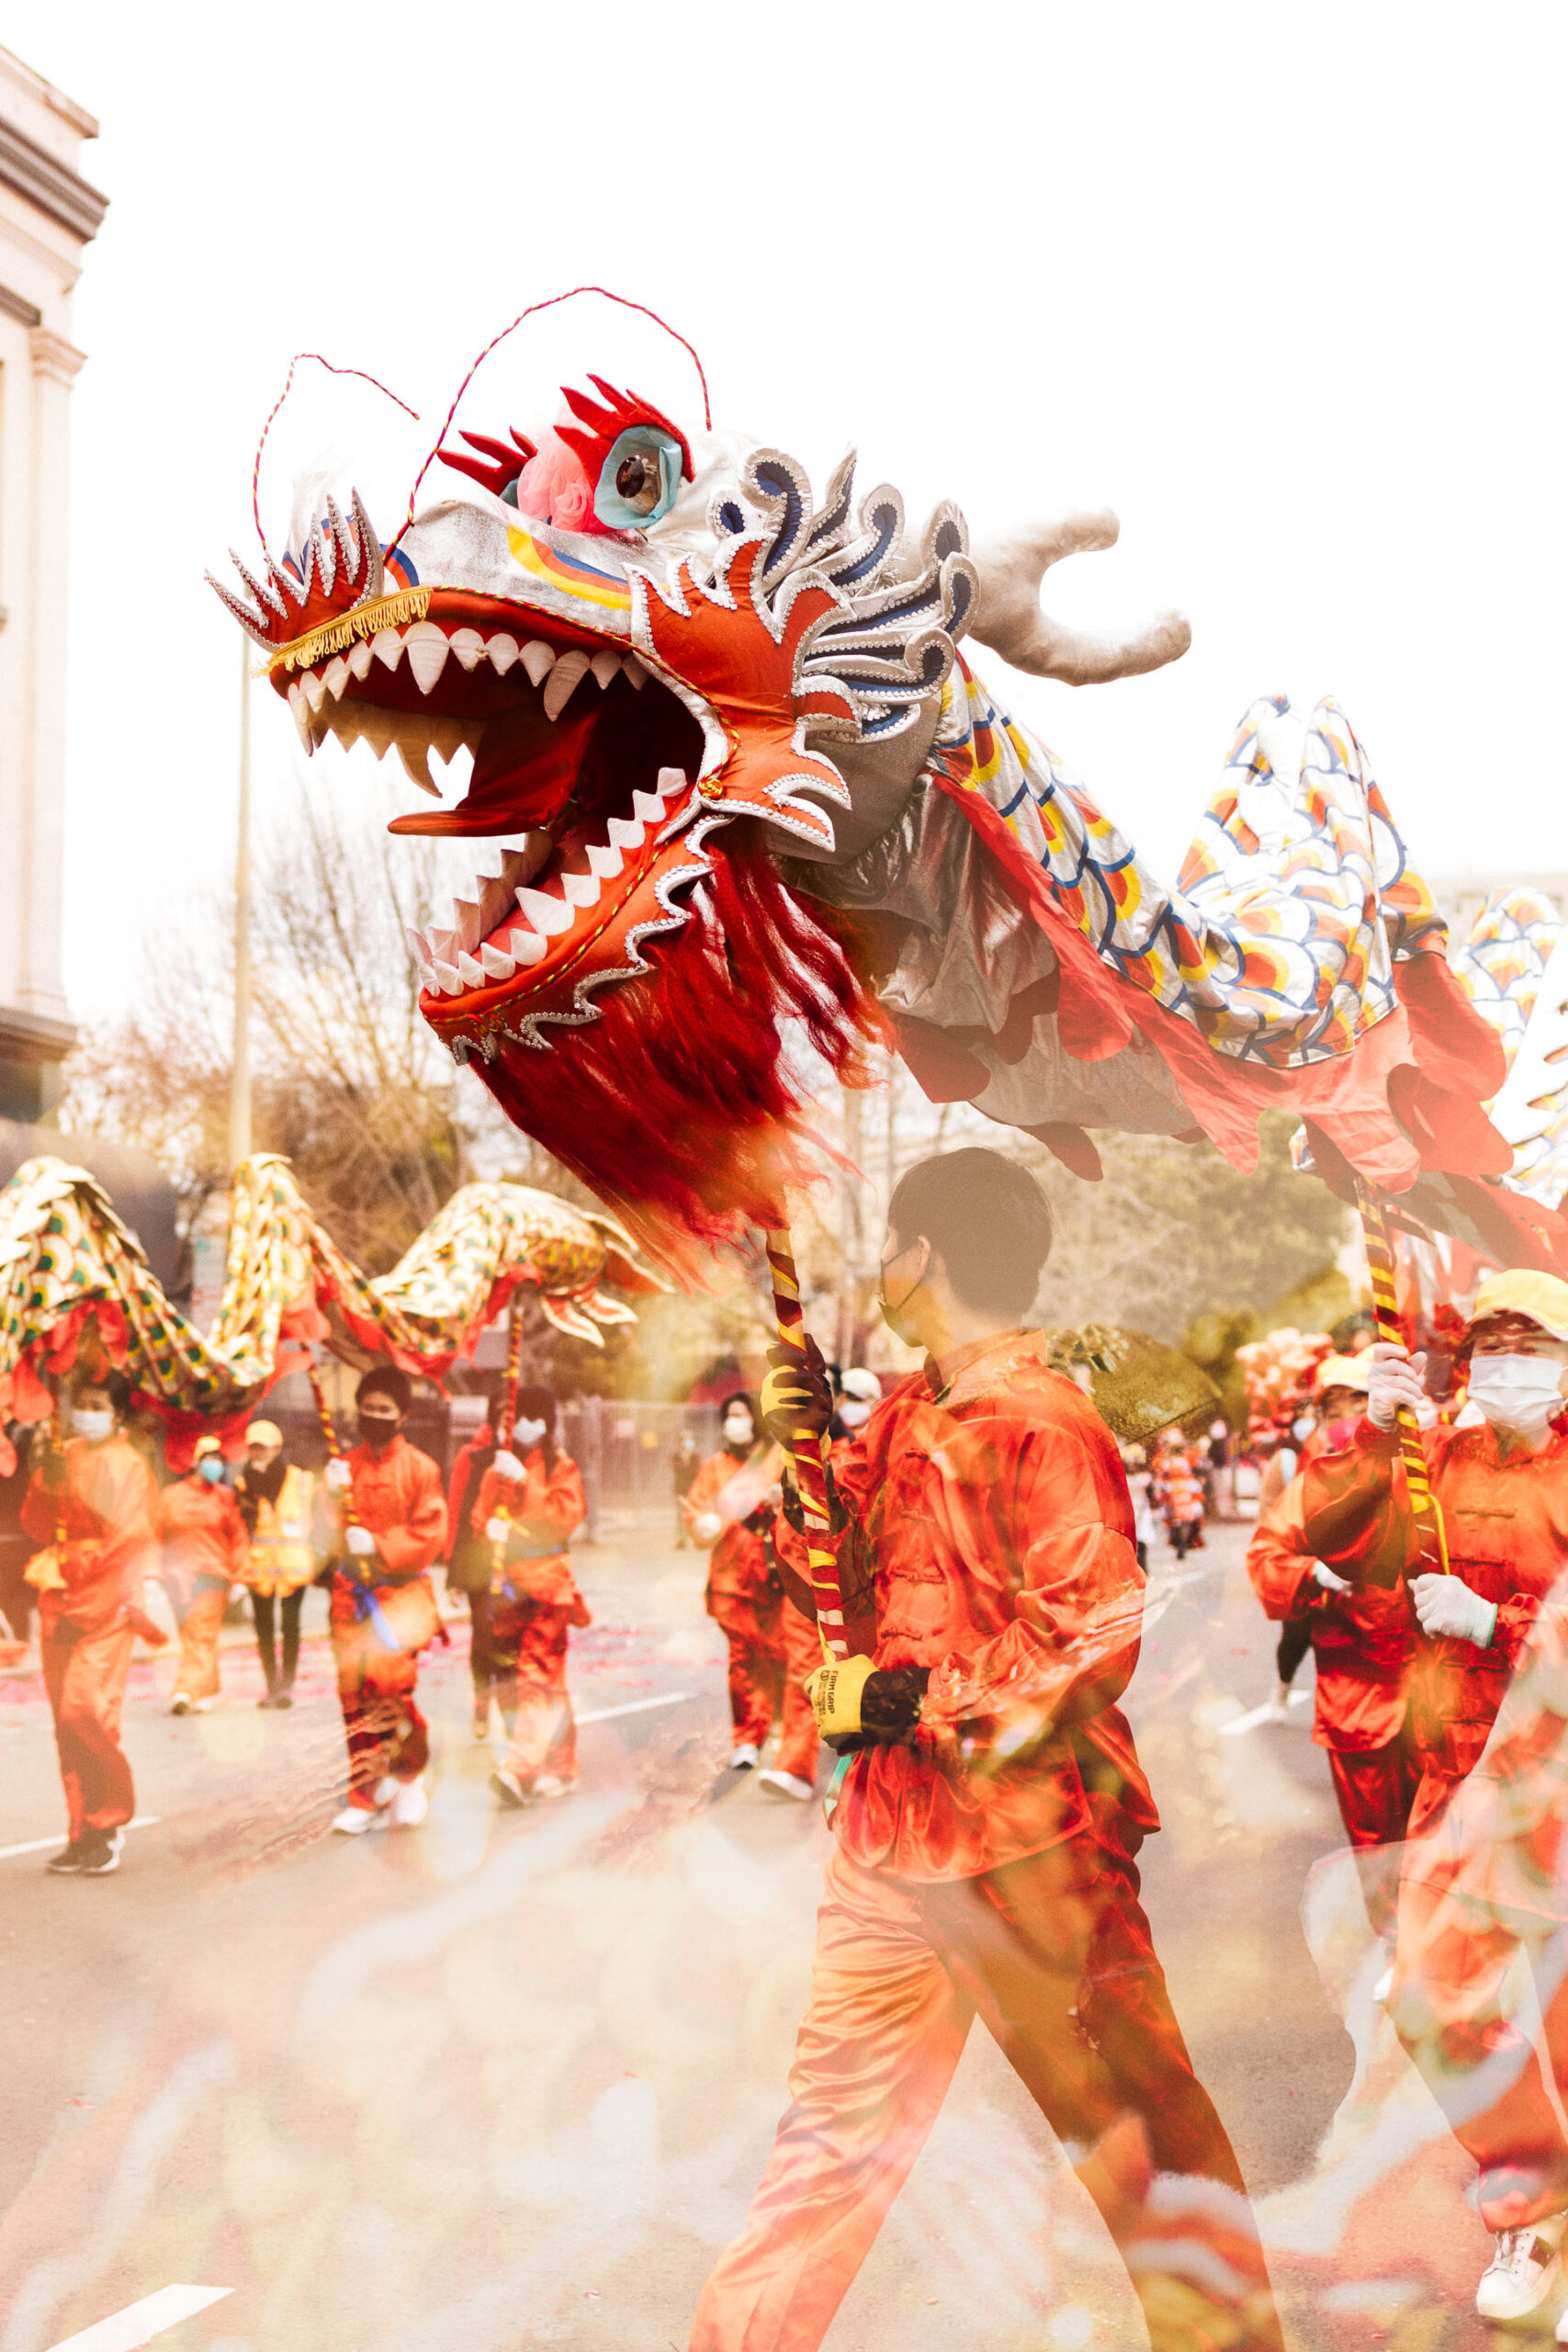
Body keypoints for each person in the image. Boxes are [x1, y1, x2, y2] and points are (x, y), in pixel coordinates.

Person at [689, 1148, 1280, 2352]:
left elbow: (1090, 1635)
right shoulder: (906, 1413)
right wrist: (794, 1454)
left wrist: (908, 1701)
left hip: (1033, 1861)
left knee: (1142, 2152)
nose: (878, 1271)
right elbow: (827, 1578)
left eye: (890, 1250)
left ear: (924, 1259)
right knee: (823, 2158)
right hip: (888, 1860)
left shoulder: (1045, 1427)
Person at [1303, 1270, 1568, 2321]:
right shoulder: (1435, 1450)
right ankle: (1533, 2199)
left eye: (1531, 1339)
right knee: (1432, 1997)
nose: (1506, 1357)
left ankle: (1537, 2228)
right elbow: (1340, 1546)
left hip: (1551, 1770)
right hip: (1453, 1774)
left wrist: (1499, 1623)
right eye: (1490, 1338)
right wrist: (1367, 1434)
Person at [1245, 1359, 1417, 1935]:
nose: (1345, 1416)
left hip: (1437, 1692)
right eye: (1333, 1405)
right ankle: (1395, 1944)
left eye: (1357, 1401)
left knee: (1443, 1838)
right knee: (1376, 1847)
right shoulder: (1311, 1480)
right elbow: (1265, 1558)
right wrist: (1313, 1572)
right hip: (1356, 1696)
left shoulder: (1421, 1463)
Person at [21, 1374, 163, 1876]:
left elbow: (127, 1543)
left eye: (97, 1404)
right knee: (66, 1721)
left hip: (104, 1602)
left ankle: (108, 1821)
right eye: (80, 1404)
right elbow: (38, 1526)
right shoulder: (68, 1453)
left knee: (87, 1711)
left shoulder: (127, 1466)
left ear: (118, 1413)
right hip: (59, 1592)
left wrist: (87, 1604)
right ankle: (81, 1831)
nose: (86, 1412)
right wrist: (44, 1479)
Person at [324, 1366, 446, 1836]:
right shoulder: (344, 1466)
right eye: (367, 1408)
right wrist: (329, 1496)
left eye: (384, 1410)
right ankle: (364, 1794)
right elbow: (324, 1534)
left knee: (392, 1691)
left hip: (400, 1595)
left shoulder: (421, 1469)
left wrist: (377, 1543)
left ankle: (409, 1776)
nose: (374, 1416)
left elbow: (429, 1532)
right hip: (351, 1598)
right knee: (353, 1698)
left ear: (403, 1415)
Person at [757, 1369, 881, 1804]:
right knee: (804, 1671)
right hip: (807, 1577)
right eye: (844, 1393)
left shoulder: (869, 1454)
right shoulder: (806, 1449)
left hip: (860, 1595)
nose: (849, 1400)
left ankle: (866, 1769)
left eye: (857, 1396)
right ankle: (794, 1766)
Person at [471, 1386, 590, 1806]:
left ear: (546, 1424)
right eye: (515, 1417)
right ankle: (560, 1765)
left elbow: (564, 1517)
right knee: (537, 1684)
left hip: (548, 1585)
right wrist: (489, 1528)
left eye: (532, 1417)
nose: (522, 1424)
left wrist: (527, 1485)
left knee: (536, 1675)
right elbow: (480, 1516)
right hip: (508, 1588)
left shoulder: (561, 1467)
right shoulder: (494, 1471)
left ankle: (520, 1771)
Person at [684, 1394, 785, 1770]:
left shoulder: (777, 1460)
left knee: (778, 1654)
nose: (734, 1423)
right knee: (742, 1658)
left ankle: (776, 1723)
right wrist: (701, 1525)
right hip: (731, 1575)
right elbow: (697, 1511)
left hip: (775, 1574)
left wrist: (781, 1503)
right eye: (729, 1416)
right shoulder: (713, 1467)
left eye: (741, 1415)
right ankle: (747, 1736)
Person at [155, 1434, 249, 1714]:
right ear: (196, 1462)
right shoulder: (171, 1496)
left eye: (219, 1461)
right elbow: (156, 1534)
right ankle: (208, 1688)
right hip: (176, 1577)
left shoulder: (225, 1497)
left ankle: (185, 1689)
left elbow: (239, 1537)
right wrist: (155, 1571)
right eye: (209, 1459)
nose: (214, 1466)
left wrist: (241, 1577)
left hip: (212, 1576)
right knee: (192, 1634)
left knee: (201, 1630)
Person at [234, 1419, 318, 1708]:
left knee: (291, 1627)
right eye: (253, 1448)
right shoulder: (244, 1482)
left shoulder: (301, 1480)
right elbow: (242, 1525)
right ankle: (272, 1686)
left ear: (277, 1449)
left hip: (293, 1567)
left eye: (264, 1448)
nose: (258, 1454)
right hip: (259, 1570)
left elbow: (317, 1521)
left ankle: (287, 1687)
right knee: (264, 1629)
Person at [446, 1385, 510, 1739]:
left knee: (512, 1641)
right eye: (504, 1417)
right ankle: (483, 1704)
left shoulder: (531, 1458)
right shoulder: (472, 1457)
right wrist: (455, 1571)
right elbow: (457, 1510)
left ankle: (511, 1708)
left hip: (518, 1565)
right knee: (484, 1638)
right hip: (478, 1562)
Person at [671, 1428, 700, 1548]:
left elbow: (696, 1471)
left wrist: (689, 1456)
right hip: (680, 1490)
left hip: (693, 1489)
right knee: (680, 1516)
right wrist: (685, 1458)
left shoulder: (695, 1456)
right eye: (686, 1439)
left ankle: (696, 1539)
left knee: (693, 1515)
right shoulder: (676, 1456)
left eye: (690, 1439)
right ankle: (681, 1540)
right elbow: (678, 1469)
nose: (688, 1441)